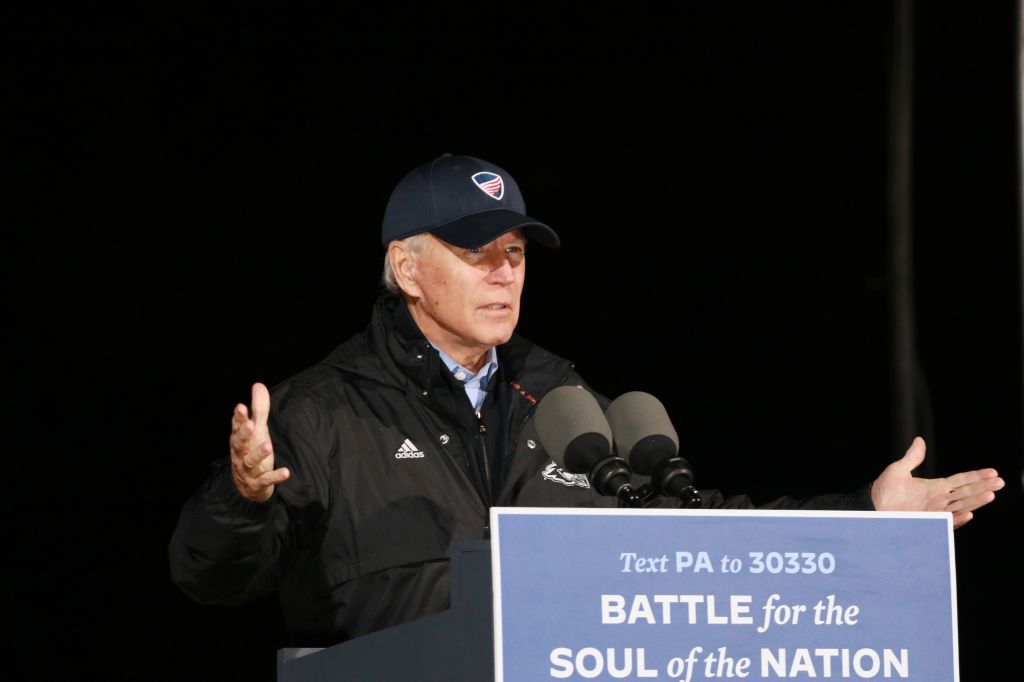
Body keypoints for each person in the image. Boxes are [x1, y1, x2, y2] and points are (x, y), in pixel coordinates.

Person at [168, 152, 1005, 648]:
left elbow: (691, 536)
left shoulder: (563, 401)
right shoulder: (322, 411)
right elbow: (210, 580)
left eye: (516, 252)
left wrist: (868, 515)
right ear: (407, 268)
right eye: (477, 252)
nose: (505, 271)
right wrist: (242, 500)